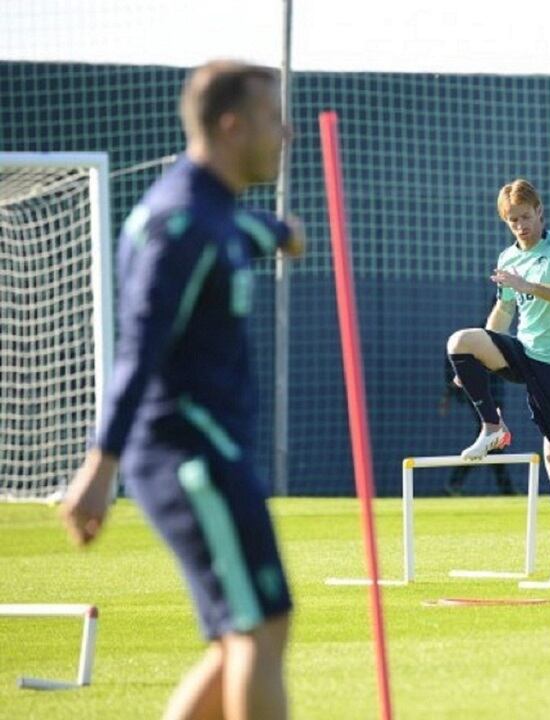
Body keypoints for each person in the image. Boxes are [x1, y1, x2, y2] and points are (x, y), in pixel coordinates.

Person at [60, 60, 303, 720]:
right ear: (230, 126)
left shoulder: (214, 212)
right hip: (188, 453)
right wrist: (97, 469)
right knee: (257, 629)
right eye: (271, 118)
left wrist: (284, 234)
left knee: (242, 637)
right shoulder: (180, 225)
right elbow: (138, 351)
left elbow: (248, 232)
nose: (286, 131)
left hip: (210, 449)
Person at [445, 179, 550, 582]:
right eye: (512, 221)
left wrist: (530, 287)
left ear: (540, 212)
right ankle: (492, 427)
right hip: (525, 353)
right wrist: (478, 359)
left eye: (526, 217)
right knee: (460, 341)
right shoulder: (507, 258)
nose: (521, 227)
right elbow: (502, 315)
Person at [439, 355, 515, 496]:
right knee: (492, 439)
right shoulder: (462, 342)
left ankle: (455, 483)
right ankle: (506, 489)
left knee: (492, 441)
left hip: (494, 391)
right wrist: (449, 392)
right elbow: (455, 366)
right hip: (477, 391)